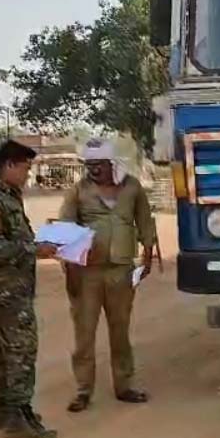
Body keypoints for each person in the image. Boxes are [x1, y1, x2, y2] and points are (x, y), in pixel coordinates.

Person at [0, 140, 58, 438]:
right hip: (4, 291)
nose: (28, 175)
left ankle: (4, 410)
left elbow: (13, 236)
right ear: (8, 165)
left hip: (8, 288)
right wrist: (35, 250)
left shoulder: (8, 195)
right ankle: (18, 415)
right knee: (20, 350)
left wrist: (35, 243)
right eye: (25, 168)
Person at [59, 139, 155, 412]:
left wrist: (147, 256)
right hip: (86, 273)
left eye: (99, 165)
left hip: (121, 271)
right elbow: (65, 229)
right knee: (84, 334)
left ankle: (124, 385)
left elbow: (144, 222)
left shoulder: (132, 187)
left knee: (120, 331)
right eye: (89, 165)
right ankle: (83, 390)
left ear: (112, 163)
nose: (93, 170)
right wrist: (70, 270)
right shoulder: (78, 191)